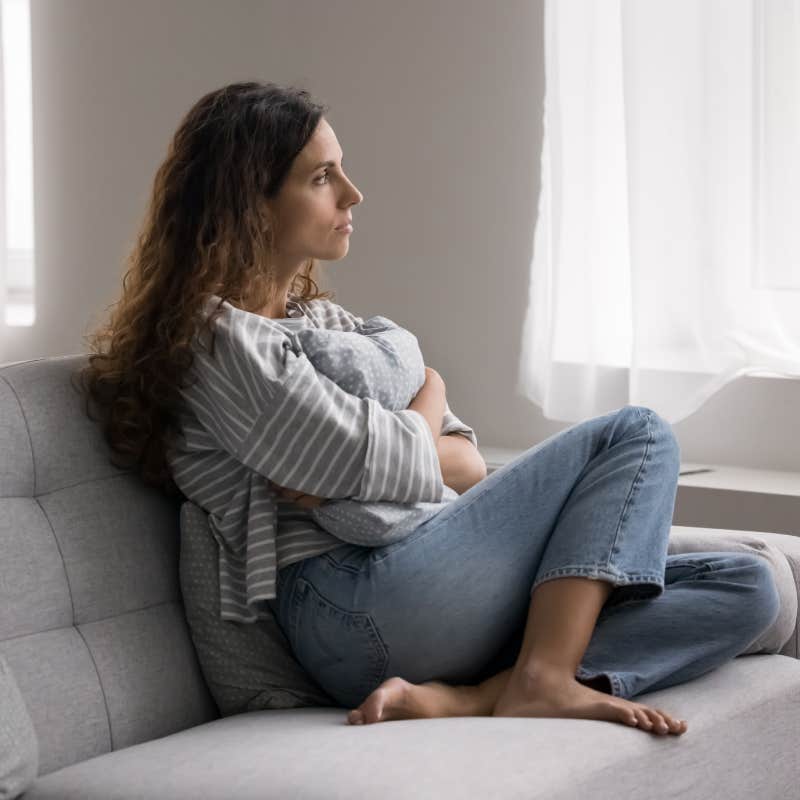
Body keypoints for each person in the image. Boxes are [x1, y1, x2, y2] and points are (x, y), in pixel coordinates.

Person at [74, 81, 782, 739]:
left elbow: (467, 465)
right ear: (248, 205)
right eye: (321, 178)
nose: (353, 193)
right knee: (638, 433)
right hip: (351, 604)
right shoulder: (219, 342)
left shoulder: (330, 328)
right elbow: (364, 459)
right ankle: (540, 678)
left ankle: (481, 694)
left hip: (428, 583)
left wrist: (429, 399)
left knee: (748, 586)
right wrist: (420, 423)